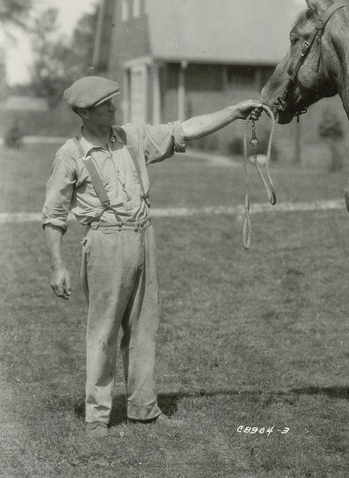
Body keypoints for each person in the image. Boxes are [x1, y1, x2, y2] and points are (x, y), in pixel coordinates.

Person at [42, 76, 264, 438]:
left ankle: (143, 408)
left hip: (144, 237)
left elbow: (186, 129)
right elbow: (53, 216)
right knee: (103, 330)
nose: (115, 108)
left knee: (145, 327)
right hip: (105, 244)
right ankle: (98, 416)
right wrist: (57, 265)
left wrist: (234, 112)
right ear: (84, 111)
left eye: (114, 102)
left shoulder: (132, 137)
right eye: (106, 105)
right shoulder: (70, 155)